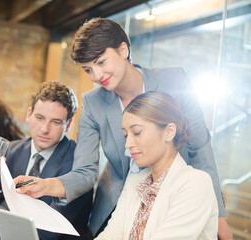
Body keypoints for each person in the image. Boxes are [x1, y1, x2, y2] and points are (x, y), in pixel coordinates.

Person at [14, 18, 232, 239]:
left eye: (101, 62)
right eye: (88, 69)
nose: (97, 76)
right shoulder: (92, 103)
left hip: (172, 193)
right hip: (118, 199)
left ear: (123, 49)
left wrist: (218, 215)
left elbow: (200, 147)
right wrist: (47, 185)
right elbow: (85, 170)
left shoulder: (174, 80)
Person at [0, 82, 93, 240]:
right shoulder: (12, 150)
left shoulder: (79, 164)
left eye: (56, 122)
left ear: (68, 124)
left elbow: (47, 230)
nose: (44, 128)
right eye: (39, 118)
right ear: (29, 114)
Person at [95, 91, 218, 239]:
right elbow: (111, 235)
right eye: (126, 135)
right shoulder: (135, 180)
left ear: (169, 131)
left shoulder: (195, 183)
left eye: (137, 132)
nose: (128, 144)